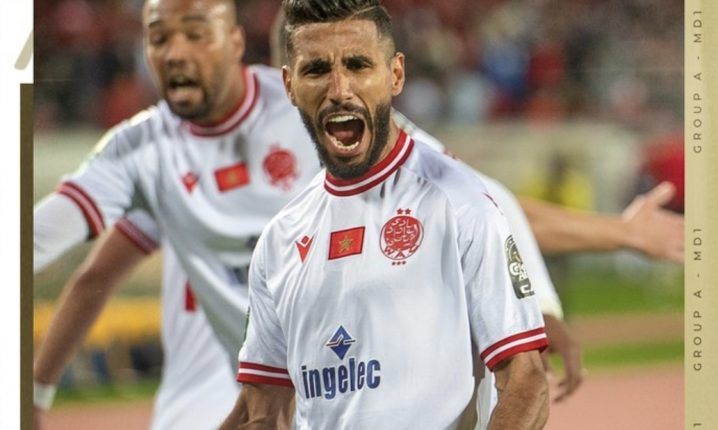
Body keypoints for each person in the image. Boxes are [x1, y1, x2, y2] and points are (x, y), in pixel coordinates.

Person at [221, 0, 549, 428]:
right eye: (316, 70)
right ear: (289, 85)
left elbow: (526, 380)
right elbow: (261, 409)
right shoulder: (280, 237)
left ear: (396, 74)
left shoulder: (458, 202)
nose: (339, 89)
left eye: (358, 65)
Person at [32, 0, 325, 427]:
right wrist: (35, 392)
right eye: (158, 38)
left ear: (236, 41)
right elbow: (48, 244)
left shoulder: (307, 107)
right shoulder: (145, 156)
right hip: (242, 395)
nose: (175, 53)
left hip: (351, 381)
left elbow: (417, 173)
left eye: (195, 33)